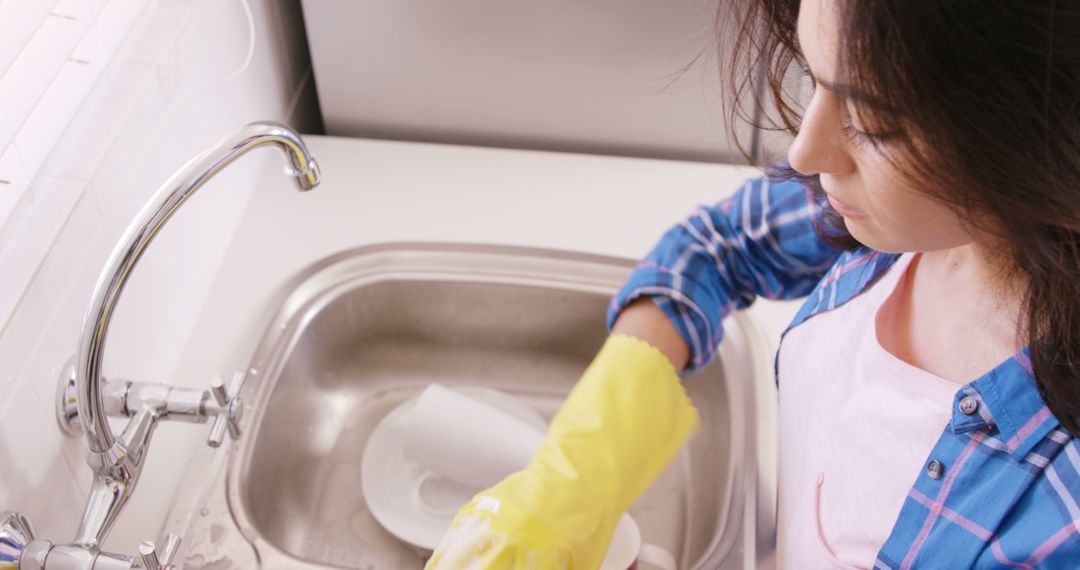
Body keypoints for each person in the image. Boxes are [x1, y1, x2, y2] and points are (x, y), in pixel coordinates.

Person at [426, 0, 1080, 567]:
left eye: (877, 122)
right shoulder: (901, 221)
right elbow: (714, 250)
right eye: (816, 79)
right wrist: (579, 476)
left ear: (1043, 135)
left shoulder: (1061, 517)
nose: (805, 151)